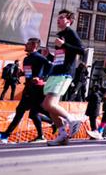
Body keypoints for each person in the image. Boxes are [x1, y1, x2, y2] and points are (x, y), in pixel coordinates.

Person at [0, 38, 53, 143]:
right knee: (25, 111)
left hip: (37, 89)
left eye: (28, 43)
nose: (25, 45)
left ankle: (58, 121)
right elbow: (29, 74)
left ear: (34, 45)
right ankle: (6, 135)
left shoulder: (39, 58)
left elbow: (51, 67)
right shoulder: (26, 59)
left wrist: (41, 78)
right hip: (28, 88)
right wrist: (22, 74)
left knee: (36, 110)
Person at [42, 9, 85, 146]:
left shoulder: (70, 33)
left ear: (69, 21)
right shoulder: (60, 34)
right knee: (48, 106)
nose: (58, 19)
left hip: (64, 73)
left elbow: (81, 50)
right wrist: (49, 56)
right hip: (56, 71)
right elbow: (61, 56)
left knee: (49, 104)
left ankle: (72, 119)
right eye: (58, 17)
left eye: (61, 17)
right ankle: (62, 134)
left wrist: (64, 44)